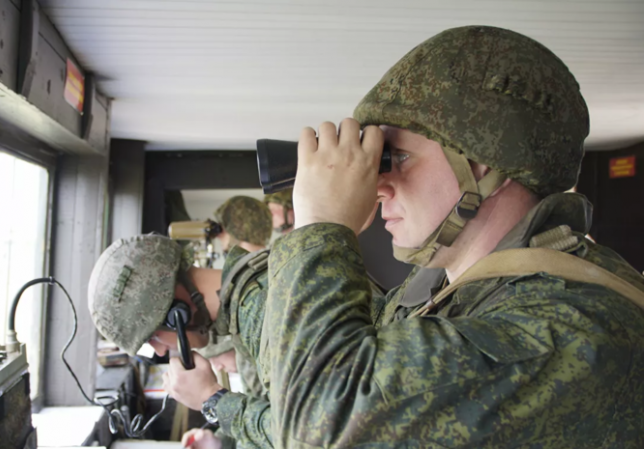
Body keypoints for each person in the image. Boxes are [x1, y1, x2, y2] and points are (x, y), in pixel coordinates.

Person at [252, 25, 644, 448]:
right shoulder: (454, 288)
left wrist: (323, 225)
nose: (378, 186)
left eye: (399, 158)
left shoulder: (574, 329)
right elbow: (301, 381)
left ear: (482, 163)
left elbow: (319, 428)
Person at [87, 234, 273, 448]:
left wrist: (212, 398)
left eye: (152, 337)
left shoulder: (262, 314)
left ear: (176, 312)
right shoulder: (246, 312)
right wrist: (222, 442)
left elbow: (300, 440)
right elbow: (274, 416)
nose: (159, 351)